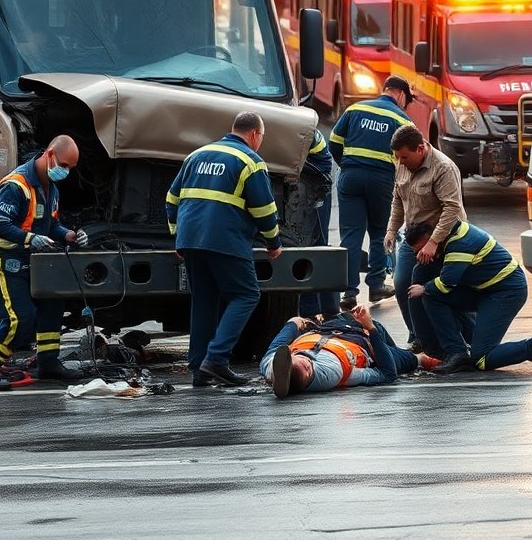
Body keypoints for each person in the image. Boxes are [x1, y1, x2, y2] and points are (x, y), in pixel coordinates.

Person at [167, 112, 283, 387]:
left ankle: (199, 368)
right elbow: (264, 209)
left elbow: (172, 199)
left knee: (205, 300)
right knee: (246, 295)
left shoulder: (196, 156)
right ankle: (217, 360)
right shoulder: (250, 161)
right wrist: (273, 243)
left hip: (191, 240)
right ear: (254, 134)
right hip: (225, 241)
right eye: (261, 138)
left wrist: (178, 236)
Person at [0, 135, 91, 390]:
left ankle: (48, 363)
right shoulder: (16, 186)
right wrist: (31, 238)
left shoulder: (51, 186)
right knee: (20, 317)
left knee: (52, 305)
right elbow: (0, 225)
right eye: (64, 165)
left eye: (70, 168)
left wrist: (69, 236)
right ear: (49, 155)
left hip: (33, 258)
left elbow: (51, 224)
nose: (66, 172)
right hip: (7, 259)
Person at [406, 221, 532, 374]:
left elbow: (447, 282)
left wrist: (424, 288)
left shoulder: (460, 244)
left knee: (481, 358)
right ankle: (457, 353)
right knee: (432, 296)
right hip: (484, 289)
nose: (421, 255)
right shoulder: (450, 233)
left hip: (506, 292)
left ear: (433, 238)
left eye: (422, 250)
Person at [329, 75, 413, 309]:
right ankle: (376, 285)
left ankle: (348, 293)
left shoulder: (354, 109)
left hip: (351, 177)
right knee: (379, 232)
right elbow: (412, 156)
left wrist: (346, 165)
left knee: (351, 236)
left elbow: (334, 142)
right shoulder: (402, 119)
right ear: (401, 94)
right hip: (382, 181)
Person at [384, 124, 468, 352]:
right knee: (403, 283)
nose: (401, 162)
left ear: (420, 149)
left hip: (443, 240)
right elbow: (398, 199)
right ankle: (418, 336)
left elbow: (452, 209)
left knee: (442, 289)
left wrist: (433, 243)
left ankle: (458, 339)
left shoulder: (443, 168)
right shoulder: (402, 164)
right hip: (414, 237)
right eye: (398, 157)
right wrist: (392, 230)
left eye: (404, 157)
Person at [261, 305, 436, 399]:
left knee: (349, 316)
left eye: (295, 356)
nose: (302, 358)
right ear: (308, 370)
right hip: (366, 340)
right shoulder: (334, 373)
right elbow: (388, 374)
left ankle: (406, 352)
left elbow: (285, 333)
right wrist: (370, 327)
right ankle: (423, 359)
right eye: (304, 364)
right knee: (414, 359)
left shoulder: (272, 364)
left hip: (334, 326)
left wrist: (295, 323)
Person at [298, 128, 338, 319]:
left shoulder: (303, 130)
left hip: (314, 188)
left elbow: (325, 162)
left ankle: (324, 313)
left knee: (315, 247)